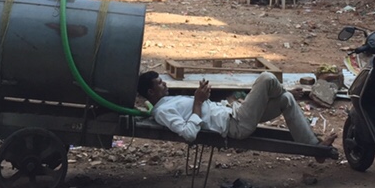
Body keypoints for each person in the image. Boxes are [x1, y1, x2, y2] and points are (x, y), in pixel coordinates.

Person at [136, 70, 337, 158]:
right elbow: (188, 134)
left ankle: (315, 149)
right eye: (160, 83)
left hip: (232, 112)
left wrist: (202, 100)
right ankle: (282, 90)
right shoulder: (163, 111)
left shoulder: (167, 101)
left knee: (286, 99)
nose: (164, 84)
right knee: (267, 78)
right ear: (151, 92)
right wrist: (198, 101)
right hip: (234, 124)